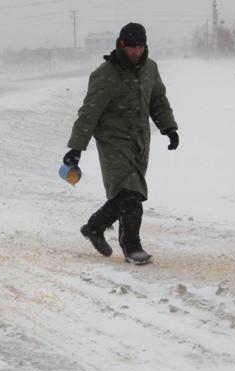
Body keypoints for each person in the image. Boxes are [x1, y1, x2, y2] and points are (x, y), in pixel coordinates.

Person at [63, 23, 179, 265]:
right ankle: (132, 247)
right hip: (113, 140)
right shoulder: (106, 73)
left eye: (141, 47)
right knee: (131, 194)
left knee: (128, 194)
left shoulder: (150, 69)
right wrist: (76, 149)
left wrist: (168, 127)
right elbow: (89, 113)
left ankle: (94, 227)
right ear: (121, 44)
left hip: (140, 140)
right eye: (132, 47)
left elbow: (158, 99)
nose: (136, 52)